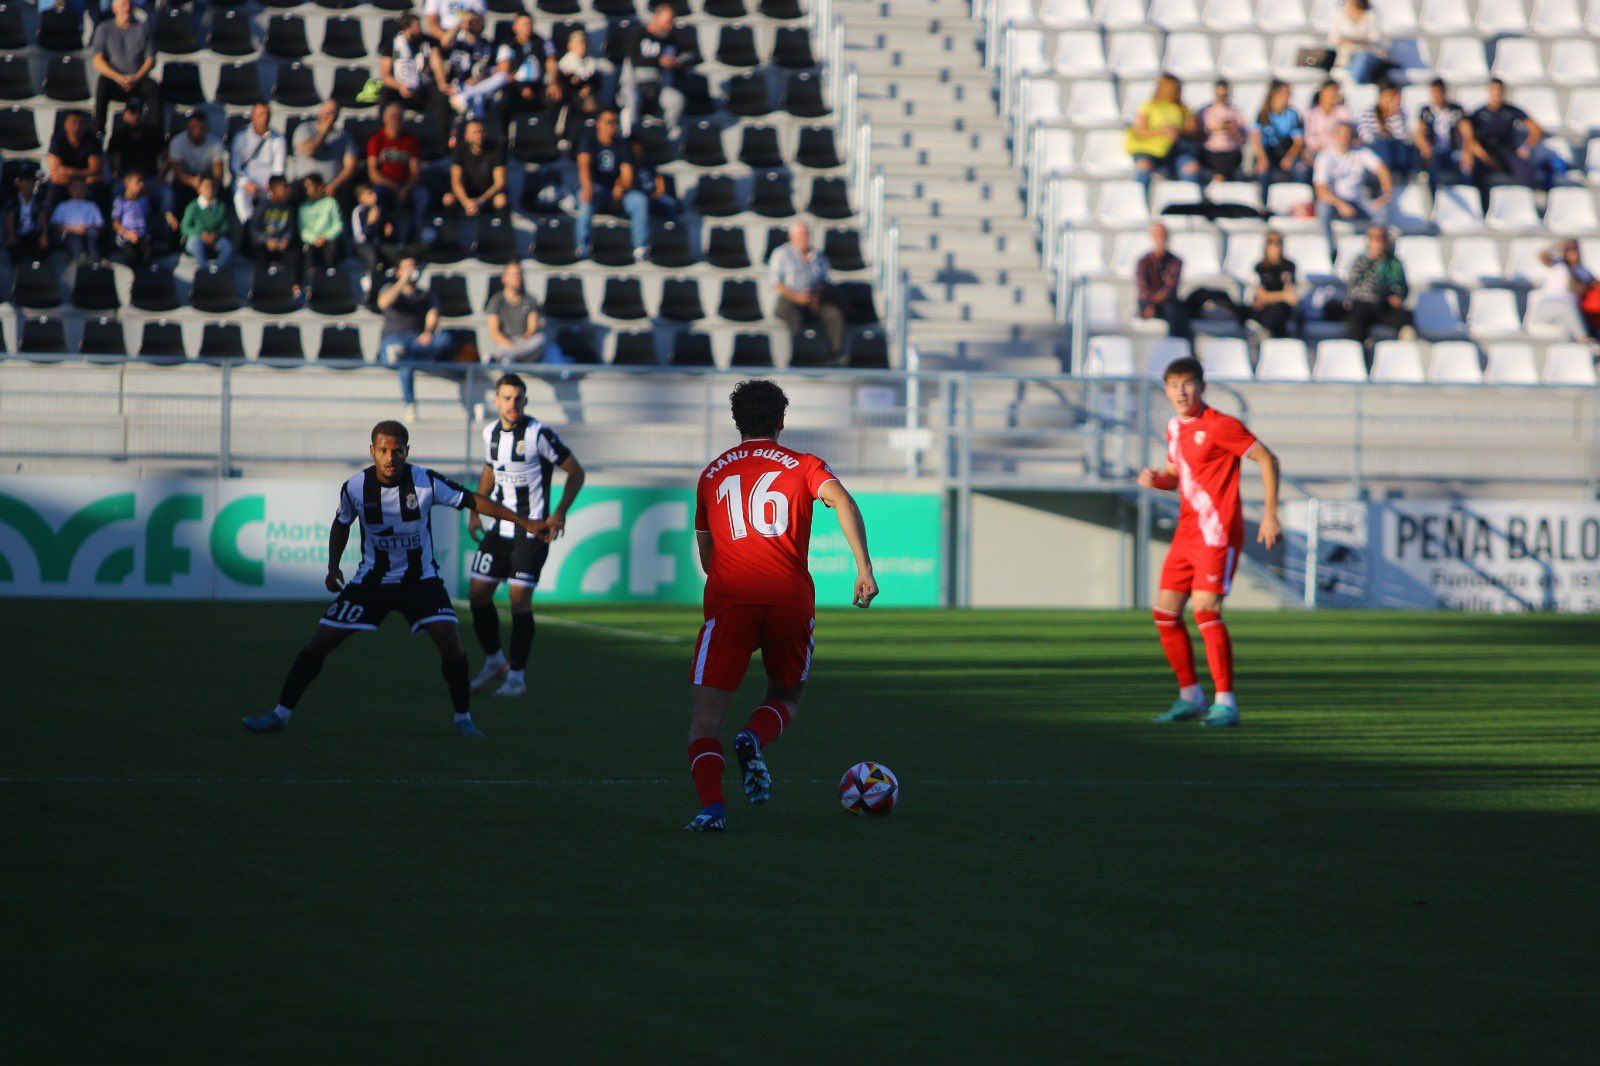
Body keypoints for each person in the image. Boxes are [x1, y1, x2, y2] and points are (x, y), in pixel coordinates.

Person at [242, 420, 550, 739]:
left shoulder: (425, 481)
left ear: (407, 451)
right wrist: (333, 566)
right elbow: (341, 522)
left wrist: (524, 522)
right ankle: (280, 714)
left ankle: (463, 720)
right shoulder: (355, 487)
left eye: (398, 451)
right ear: (372, 451)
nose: (391, 458)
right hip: (372, 582)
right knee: (320, 642)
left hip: (421, 580)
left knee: (450, 641)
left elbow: (472, 500)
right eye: (384, 451)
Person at [684, 379, 878, 831]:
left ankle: (712, 809)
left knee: (705, 719)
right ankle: (754, 736)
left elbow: (707, 556)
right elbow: (842, 500)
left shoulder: (712, 474)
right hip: (790, 597)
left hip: (732, 599)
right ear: (781, 420)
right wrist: (863, 567)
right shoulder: (803, 464)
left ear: (736, 421)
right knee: (786, 694)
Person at [1139, 358, 1280, 729]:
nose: (1180, 392)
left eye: (1187, 384)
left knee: (1205, 610)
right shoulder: (1173, 427)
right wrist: (1156, 480)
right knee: (1165, 614)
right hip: (1187, 533)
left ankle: (1226, 703)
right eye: (1173, 385)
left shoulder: (1221, 426)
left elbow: (1267, 459)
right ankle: (1190, 696)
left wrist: (1269, 514)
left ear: (1202, 387)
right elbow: (1175, 474)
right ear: (1165, 389)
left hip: (1217, 533)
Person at [465, 374, 585, 698]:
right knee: (477, 594)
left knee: (519, 599)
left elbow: (575, 471)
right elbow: (490, 470)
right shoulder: (489, 432)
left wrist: (559, 512)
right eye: (507, 398)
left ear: (525, 400)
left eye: (518, 398)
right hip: (499, 530)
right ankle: (494, 661)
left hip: (532, 533)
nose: (513, 404)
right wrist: (476, 510)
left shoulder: (538, 434)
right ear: (496, 400)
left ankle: (516, 676)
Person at [378, 256, 457, 412]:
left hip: (416, 340)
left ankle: (401, 355)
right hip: (394, 339)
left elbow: (433, 315)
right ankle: (410, 402)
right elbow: (384, 303)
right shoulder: (389, 289)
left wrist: (428, 332)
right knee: (403, 357)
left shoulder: (426, 294)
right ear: (398, 272)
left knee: (445, 339)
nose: (411, 270)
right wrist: (402, 281)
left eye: (413, 267)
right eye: (406, 267)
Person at [1313, 121, 1393, 259]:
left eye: (1348, 135)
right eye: (1341, 134)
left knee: (1383, 210)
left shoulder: (1361, 152)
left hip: (1358, 202)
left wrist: (1386, 193)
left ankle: (1375, 249)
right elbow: (1320, 191)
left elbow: (1382, 169)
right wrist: (1340, 204)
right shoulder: (1325, 156)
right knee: (1322, 207)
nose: (1345, 138)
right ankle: (1331, 248)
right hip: (1336, 203)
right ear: (1334, 136)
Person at [575, 109, 650, 257]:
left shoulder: (622, 144)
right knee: (584, 199)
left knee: (640, 201)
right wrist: (587, 186)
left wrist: (620, 186)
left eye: (614, 122)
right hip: (596, 191)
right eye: (608, 122)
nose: (612, 126)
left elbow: (627, 174)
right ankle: (582, 247)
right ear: (598, 124)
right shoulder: (588, 141)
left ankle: (639, 248)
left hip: (617, 193)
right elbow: (583, 166)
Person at [770, 220, 846, 360]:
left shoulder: (819, 257)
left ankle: (835, 354)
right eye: (800, 234)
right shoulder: (781, 254)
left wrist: (818, 295)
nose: (804, 237)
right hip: (790, 299)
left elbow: (826, 280)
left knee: (834, 314)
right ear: (791, 236)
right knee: (795, 317)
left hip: (814, 300)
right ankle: (799, 353)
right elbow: (776, 283)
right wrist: (796, 297)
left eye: (806, 234)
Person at [1465, 79, 1545, 203]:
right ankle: (1483, 208)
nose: (1497, 94)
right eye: (1494, 91)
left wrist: (1526, 147)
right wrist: (1483, 155)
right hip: (1487, 153)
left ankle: (1523, 206)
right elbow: (1469, 139)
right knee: (1474, 171)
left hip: (1507, 151)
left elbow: (1536, 129)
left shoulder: (1511, 110)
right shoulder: (1479, 113)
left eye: (1500, 91)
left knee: (1526, 172)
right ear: (1489, 92)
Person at [90, 0, 158, 133]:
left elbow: (150, 60)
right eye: (123, 5)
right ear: (114, 9)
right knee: (102, 84)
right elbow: (97, 61)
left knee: (153, 88)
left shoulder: (143, 28)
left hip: (137, 79)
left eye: (129, 5)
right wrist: (118, 77)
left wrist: (136, 78)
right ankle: (98, 131)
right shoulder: (104, 28)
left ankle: (156, 136)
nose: (127, 9)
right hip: (114, 80)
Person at [620, 4, 686, 139]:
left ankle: (666, 136)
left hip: (658, 86)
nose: (669, 26)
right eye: (667, 22)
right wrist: (658, 61)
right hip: (635, 83)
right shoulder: (639, 34)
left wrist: (677, 64)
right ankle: (629, 138)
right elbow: (633, 58)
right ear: (656, 18)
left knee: (676, 100)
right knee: (632, 101)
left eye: (671, 23)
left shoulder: (670, 41)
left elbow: (683, 60)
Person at [367, 102, 430, 243]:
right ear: (385, 119)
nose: (395, 119)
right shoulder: (376, 140)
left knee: (423, 195)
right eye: (392, 116)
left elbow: (415, 172)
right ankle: (380, 234)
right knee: (377, 195)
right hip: (386, 185)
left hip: (407, 185)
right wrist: (395, 188)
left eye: (399, 116)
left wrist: (405, 189)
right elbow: (373, 174)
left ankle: (414, 233)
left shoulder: (411, 140)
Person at [378, 12, 451, 133]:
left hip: (423, 86)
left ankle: (441, 139)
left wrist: (442, 83)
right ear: (406, 27)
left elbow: (436, 63)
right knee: (385, 98)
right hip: (399, 86)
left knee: (441, 99)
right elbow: (385, 76)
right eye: (416, 26)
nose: (419, 29)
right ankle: (384, 137)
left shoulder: (428, 41)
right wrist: (400, 87)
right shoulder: (391, 43)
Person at [1125, 73, 1199, 190]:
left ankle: (1188, 204)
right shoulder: (1149, 106)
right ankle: (1138, 201)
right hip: (1150, 151)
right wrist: (1161, 132)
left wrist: (1177, 131)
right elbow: (1140, 130)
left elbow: (1193, 129)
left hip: (1174, 151)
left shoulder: (1182, 108)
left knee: (1190, 166)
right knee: (1143, 166)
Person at [1343, 225, 1412, 348]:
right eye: (1374, 238)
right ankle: (1357, 355)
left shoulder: (1394, 263)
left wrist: (1397, 296)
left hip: (1385, 306)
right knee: (1356, 317)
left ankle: (1405, 352)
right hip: (1364, 305)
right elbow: (1352, 288)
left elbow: (1403, 288)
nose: (1378, 241)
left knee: (1406, 317)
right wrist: (1371, 261)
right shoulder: (1361, 261)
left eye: (1381, 238)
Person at [290, 100, 360, 208]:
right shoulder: (304, 129)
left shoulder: (343, 136)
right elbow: (310, 151)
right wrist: (324, 130)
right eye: (326, 112)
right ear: (319, 112)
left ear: (337, 116)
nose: (328, 116)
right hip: (304, 187)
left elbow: (350, 166)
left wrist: (335, 184)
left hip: (331, 187)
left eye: (332, 113)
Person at [165, 111, 227, 229]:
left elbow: (218, 174)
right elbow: (178, 173)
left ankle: (218, 230)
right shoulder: (177, 142)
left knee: (222, 195)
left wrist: (208, 185)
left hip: (207, 178)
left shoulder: (215, 143)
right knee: (177, 194)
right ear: (188, 127)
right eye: (194, 127)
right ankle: (180, 231)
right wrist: (193, 181)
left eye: (201, 127)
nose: (197, 130)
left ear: (206, 128)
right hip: (186, 179)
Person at [1526, 240, 1597, 342]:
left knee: (1567, 331)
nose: (1573, 252)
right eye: (1569, 249)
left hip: (1569, 311)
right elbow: (1542, 255)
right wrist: (1558, 245)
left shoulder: (1583, 270)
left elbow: (1594, 285)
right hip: (1548, 305)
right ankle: (1583, 339)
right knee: (1568, 307)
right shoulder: (1558, 265)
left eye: (1575, 249)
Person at [230, 102, 287, 226]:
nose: (265, 118)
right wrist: (246, 183)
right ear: (253, 117)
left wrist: (272, 185)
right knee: (240, 195)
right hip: (247, 181)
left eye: (267, 114)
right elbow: (235, 166)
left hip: (268, 183)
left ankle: (270, 230)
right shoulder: (240, 137)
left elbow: (279, 167)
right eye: (261, 114)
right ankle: (248, 225)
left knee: (278, 196)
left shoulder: (278, 139)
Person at [106, 96, 166, 215]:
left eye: (138, 112)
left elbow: (166, 156)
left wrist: (161, 174)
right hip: (126, 179)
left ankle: (164, 230)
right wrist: (130, 183)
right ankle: (117, 228)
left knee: (166, 194)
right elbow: (115, 162)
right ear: (125, 115)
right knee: (116, 190)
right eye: (132, 112)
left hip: (150, 177)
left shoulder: (154, 134)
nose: (136, 116)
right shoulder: (118, 136)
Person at [41, 111, 104, 222]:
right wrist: (81, 176)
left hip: (85, 182)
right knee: (50, 197)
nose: (77, 126)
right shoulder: (57, 139)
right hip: (65, 182)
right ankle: (47, 235)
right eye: (73, 122)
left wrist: (69, 172)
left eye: (81, 123)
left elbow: (95, 170)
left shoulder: (92, 140)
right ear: (66, 125)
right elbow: (55, 173)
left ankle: (101, 232)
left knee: (100, 190)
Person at [1250, 80, 1307, 198]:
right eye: (1285, 93)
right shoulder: (1263, 114)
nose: (1288, 96)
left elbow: (1298, 142)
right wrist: (1262, 158)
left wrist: (1289, 158)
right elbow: (1256, 140)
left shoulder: (1293, 114)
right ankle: (1263, 204)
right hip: (1268, 153)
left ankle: (1299, 202)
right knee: (1262, 170)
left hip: (1286, 152)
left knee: (1301, 170)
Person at [1415, 77, 1470, 196]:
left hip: (1453, 151)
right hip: (1435, 152)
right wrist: (1425, 147)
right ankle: (1434, 203)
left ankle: (1469, 202)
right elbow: (1419, 133)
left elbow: (1467, 132)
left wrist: (1466, 150)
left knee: (1467, 169)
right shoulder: (1426, 111)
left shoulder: (1456, 110)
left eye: (1439, 93)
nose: (1437, 97)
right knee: (1431, 169)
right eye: (1434, 94)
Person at [500, 14, 560, 122]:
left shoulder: (543, 43)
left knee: (553, 97)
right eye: (524, 24)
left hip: (538, 84)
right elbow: (504, 71)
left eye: (530, 24)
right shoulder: (508, 45)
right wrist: (521, 87)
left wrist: (553, 83)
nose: (528, 27)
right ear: (515, 27)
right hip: (516, 85)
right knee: (506, 100)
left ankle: (546, 132)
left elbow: (551, 63)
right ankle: (506, 134)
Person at [483, 261, 547, 362]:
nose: (516, 277)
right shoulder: (496, 301)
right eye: (513, 274)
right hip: (505, 344)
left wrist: (520, 344)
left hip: (524, 344)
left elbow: (532, 328)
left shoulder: (530, 300)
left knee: (541, 339)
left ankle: (507, 357)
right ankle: (510, 357)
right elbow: (494, 331)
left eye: (519, 274)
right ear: (504, 278)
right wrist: (509, 344)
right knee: (503, 351)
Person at [445, 118, 507, 221]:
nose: (479, 136)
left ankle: (500, 230)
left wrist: (481, 201)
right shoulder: (460, 149)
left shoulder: (496, 148)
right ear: (467, 135)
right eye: (474, 133)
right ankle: (449, 231)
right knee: (448, 199)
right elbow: (456, 181)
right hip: (466, 193)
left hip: (488, 195)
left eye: (481, 131)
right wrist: (466, 203)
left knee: (501, 200)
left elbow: (499, 182)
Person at [443, 12, 501, 119]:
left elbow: (493, 70)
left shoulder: (487, 45)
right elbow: (445, 42)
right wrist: (461, 23)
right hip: (457, 87)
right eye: (469, 21)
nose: (471, 24)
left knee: (500, 79)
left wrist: (480, 79)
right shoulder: (457, 42)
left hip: (477, 86)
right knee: (476, 99)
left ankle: (473, 129)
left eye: (475, 21)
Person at [1135, 221, 1188, 339]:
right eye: (1157, 235)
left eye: (1162, 235)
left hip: (1166, 303)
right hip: (1148, 302)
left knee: (1176, 312)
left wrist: (1152, 303)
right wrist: (1150, 303)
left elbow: (1170, 288)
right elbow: (1142, 287)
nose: (1160, 238)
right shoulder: (1143, 262)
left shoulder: (1175, 261)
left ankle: (1176, 346)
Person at [251, 175, 301, 294]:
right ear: (273, 189)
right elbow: (254, 228)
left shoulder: (288, 207)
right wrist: (266, 240)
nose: (287, 190)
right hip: (265, 244)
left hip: (282, 245)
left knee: (295, 256)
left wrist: (286, 240)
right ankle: (258, 288)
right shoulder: (263, 205)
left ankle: (295, 287)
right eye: (284, 187)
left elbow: (290, 229)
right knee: (260, 257)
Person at [1358, 82, 1415, 186]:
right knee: (1384, 145)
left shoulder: (1399, 114)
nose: (1391, 100)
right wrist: (1384, 135)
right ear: (1381, 97)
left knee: (1404, 147)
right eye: (1389, 96)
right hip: (1376, 150)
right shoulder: (1367, 113)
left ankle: (1400, 175)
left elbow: (1402, 136)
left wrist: (1394, 115)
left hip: (1392, 151)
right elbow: (1365, 137)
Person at [553, 27, 601, 144]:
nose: (583, 46)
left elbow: (597, 82)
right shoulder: (566, 62)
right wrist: (578, 86)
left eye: (584, 42)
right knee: (572, 104)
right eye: (579, 43)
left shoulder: (591, 62)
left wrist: (589, 87)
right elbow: (564, 82)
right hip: (570, 98)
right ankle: (565, 135)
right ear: (570, 45)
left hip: (587, 95)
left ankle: (591, 134)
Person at [1249, 231, 1298, 339]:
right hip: (1265, 311)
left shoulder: (1289, 266)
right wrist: (1282, 296)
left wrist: (1269, 297)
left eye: (1278, 242)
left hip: (1281, 310)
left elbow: (1291, 298)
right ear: (1266, 245)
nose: (1275, 246)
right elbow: (1260, 297)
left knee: (1280, 309)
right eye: (1271, 242)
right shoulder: (1259, 267)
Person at [1196, 79, 1246, 183]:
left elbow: (1243, 140)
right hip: (1211, 153)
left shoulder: (1235, 112)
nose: (1222, 98)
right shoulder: (1205, 111)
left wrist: (1234, 130)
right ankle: (1219, 177)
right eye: (1220, 95)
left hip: (1230, 153)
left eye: (1225, 95)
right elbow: (1198, 136)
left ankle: (1219, 177)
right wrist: (1215, 129)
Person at [1328, 0, 1387, 85]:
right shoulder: (1339, 12)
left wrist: (1355, 40)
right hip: (1346, 56)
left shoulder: (1372, 13)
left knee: (1363, 56)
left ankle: (1353, 84)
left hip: (1367, 54)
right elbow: (1332, 40)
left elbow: (1376, 39)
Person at [352, 183, 403, 280]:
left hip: (378, 243)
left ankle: (395, 279)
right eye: (369, 194)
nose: (374, 196)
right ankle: (374, 284)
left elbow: (383, 234)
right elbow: (360, 238)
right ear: (360, 199)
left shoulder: (380, 209)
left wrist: (388, 232)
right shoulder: (359, 212)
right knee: (373, 257)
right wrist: (370, 223)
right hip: (362, 245)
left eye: (373, 193)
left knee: (395, 253)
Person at [180, 173, 231, 267]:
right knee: (193, 243)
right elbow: (185, 227)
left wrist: (215, 234)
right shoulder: (193, 207)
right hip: (198, 238)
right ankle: (204, 268)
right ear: (199, 189)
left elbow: (226, 226)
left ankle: (216, 270)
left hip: (215, 238)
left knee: (227, 247)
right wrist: (201, 233)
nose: (210, 189)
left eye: (212, 186)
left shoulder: (221, 206)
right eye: (206, 186)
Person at [49, 178, 104, 263]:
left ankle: (93, 264)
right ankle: (80, 263)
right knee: (76, 240)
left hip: (89, 234)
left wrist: (87, 228)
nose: (78, 190)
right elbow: (55, 226)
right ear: (69, 189)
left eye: (81, 187)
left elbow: (100, 225)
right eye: (75, 187)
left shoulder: (92, 206)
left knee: (91, 242)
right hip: (69, 234)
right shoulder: (63, 206)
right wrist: (74, 229)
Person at [298, 174, 343, 274]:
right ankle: (310, 280)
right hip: (311, 242)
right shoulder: (303, 207)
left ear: (320, 186)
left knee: (333, 249)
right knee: (308, 252)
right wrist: (314, 239)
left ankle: (331, 277)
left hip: (329, 241)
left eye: (310, 185)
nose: (307, 189)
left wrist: (326, 237)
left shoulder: (331, 203)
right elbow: (303, 231)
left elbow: (338, 225)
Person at [109, 170, 152, 266]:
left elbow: (148, 218)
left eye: (142, 182)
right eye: (138, 182)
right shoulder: (120, 201)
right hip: (125, 236)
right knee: (129, 254)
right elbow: (115, 223)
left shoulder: (144, 201)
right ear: (128, 184)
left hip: (141, 236)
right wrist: (127, 234)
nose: (141, 184)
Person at [3, 170, 46, 263]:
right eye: (25, 181)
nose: (29, 184)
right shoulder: (13, 201)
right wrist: (11, 236)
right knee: (14, 252)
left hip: (33, 233)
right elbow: (10, 218)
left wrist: (44, 235)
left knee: (41, 250)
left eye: (31, 181)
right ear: (19, 183)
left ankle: (36, 270)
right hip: (18, 233)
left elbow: (42, 218)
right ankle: (18, 272)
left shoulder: (38, 200)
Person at [1302, 80, 1350, 160]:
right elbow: (1309, 140)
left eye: (1334, 93)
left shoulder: (1343, 112)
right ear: (1321, 94)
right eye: (1329, 93)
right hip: (1318, 152)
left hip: (1338, 151)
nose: (1332, 96)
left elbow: (1346, 134)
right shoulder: (1311, 114)